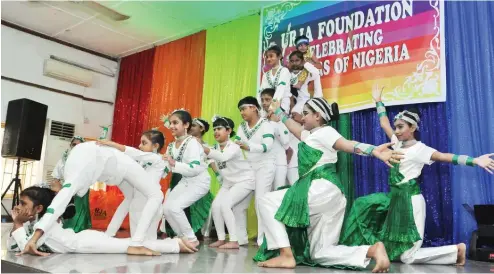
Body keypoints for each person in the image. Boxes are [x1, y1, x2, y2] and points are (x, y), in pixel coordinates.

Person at [338, 85, 494, 266]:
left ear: (412, 127)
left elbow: (446, 157)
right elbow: (384, 123)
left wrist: (474, 160)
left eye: (400, 127)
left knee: (408, 257)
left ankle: (455, 250)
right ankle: (453, 253)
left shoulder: (421, 150)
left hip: (412, 203)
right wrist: (378, 101)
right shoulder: (396, 143)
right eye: (396, 127)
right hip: (396, 200)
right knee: (394, 246)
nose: (395, 131)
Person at [254, 97, 403, 273]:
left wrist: (373, 150)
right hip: (330, 197)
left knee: (266, 200)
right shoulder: (310, 135)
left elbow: (348, 144)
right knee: (320, 253)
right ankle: (372, 250)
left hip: (321, 188)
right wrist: (279, 112)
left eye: (306, 114)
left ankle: (286, 254)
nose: (302, 118)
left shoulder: (326, 132)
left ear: (318, 116)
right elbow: (292, 126)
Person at [18, 141, 165, 256]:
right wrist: (34, 238)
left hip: (118, 163)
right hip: (108, 166)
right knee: (134, 197)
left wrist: (34, 239)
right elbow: (57, 204)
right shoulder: (73, 172)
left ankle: (136, 243)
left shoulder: (75, 175)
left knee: (156, 194)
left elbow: (57, 204)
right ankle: (115, 236)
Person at [8, 186, 197, 256]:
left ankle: (175, 245)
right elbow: (14, 247)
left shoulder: (43, 226)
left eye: (23, 203)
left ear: (39, 209)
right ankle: (175, 244)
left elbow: (26, 248)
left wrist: (17, 223)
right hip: (82, 242)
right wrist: (17, 224)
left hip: (85, 243)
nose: (19, 206)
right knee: (129, 245)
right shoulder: (33, 225)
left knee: (130, 246)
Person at [99, 130, 167, 241]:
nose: (140, 146)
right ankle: (110, 233)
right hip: (136, 204)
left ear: (155, 146)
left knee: (149, 241)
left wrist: (112, 144)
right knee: (135, 241)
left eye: (144, 143)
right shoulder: (140, 161)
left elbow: (136, 154)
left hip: (150, 203)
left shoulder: (158, 160)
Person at [161, 110, 212, 248]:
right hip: (186, 180)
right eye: (170, 123)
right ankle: (182, 237)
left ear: (186, 125)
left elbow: (195, 168)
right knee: (166, 208)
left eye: (175, 122)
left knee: (176, 207)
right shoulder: (172, 145)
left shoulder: (193, 143)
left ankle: (191, 239)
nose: (171, 126)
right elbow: (165, 167)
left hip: (199, 181)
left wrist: (173, 163)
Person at [204, 116, 255, 249]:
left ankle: (233, 240)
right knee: (215, 206)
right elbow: (206, 158)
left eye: (219, 128)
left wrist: (206, 150)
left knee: (225, 204)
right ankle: (221, 239)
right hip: (228, 182)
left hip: (245, 180)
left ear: (228, 130)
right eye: (214, 129)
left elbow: (223, 157)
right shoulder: (214, 147)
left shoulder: (234, 146)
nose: (216, 132)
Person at [234, 96, 276, 246]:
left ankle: (263, 240)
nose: (242, 112)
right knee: (238, 202)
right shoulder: (242, 127)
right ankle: (241, 238)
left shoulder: (267, 125)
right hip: (248, 168)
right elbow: (235, 145)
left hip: (265, 166)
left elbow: (267, 146)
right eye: (240, 110)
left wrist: (248, 147)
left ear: (254, 108)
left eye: (244, 108)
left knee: (260, 202)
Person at [50, 136, 91, 233]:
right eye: (74, 144)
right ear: (70, 145)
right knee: (65, 211)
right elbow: (56, 177)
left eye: (79, 145)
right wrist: (58, 190)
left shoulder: (87, 160)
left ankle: (78, 233)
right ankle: (65, 232)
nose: (76, 147)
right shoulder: (63, 160)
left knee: (78, 213)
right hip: (65, 190)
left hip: (81, 190)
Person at [188, 117, 218, 238]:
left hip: (200, 182)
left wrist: (221, 177)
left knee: (200, 206)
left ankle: (197, 231)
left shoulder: (206, 146)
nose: (190, 127)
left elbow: (212, 163)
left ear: (201, 129)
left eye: (194, 125)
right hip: (186, 181)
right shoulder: (186, 143)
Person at [260, 88, 292, 190]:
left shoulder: (282, 118)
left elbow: (286, 142)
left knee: (278, 193)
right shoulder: (260, 120)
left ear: (275, 101)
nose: (264, 103)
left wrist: (274, 122)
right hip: (264, 163)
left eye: (267, 99)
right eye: (262, 100)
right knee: (264, 195)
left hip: (279, 162)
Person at [288, 50, 323, 115]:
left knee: (294, 114)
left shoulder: (305, 73)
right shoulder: (288, 74)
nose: (294, 63)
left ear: (302, 61)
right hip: (293, 103)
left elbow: (316, 73)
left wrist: (305, 64)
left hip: (304, 101)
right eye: (292, 61)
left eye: (297, 60)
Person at [259, 45, 292, 113]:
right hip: (267, 106)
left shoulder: (284, 71)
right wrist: (259, 109)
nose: (268, 59)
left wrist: (273, 108)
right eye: (267, 57)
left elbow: (281, 89)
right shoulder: (266, 74)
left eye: (271, 56)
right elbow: (262, 91)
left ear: (279, 56)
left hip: (283, 104)